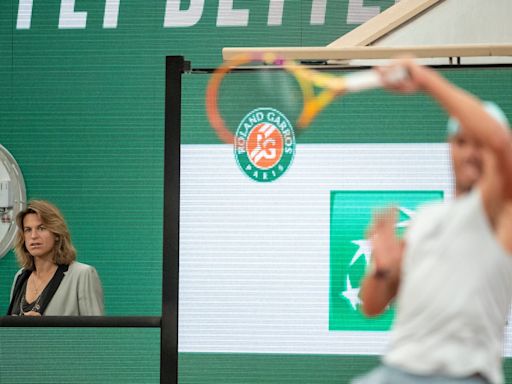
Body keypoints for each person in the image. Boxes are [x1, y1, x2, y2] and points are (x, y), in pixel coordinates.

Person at [352, 59, 512, 384]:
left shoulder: (500, 211)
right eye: (462, 142)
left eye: (479, 144)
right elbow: (371, 305)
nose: (471, 153)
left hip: (462, 375)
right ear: (449, 147)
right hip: (395, 371)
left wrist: (426, 79)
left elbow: (499, 141)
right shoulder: (423, 219)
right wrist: (382, 269)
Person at [7, 200, 104, 316]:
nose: (33, 236)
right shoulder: (20, 276)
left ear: (57, 234)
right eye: (28, 230)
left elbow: (95, 332)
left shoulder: (82, 275)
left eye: (41, 228)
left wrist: (44, 330)